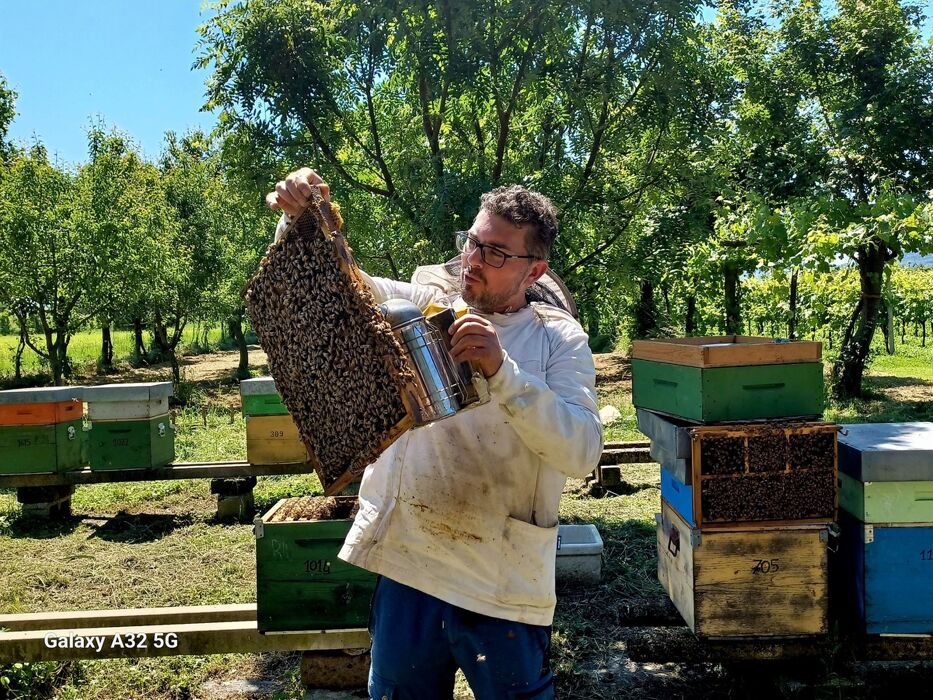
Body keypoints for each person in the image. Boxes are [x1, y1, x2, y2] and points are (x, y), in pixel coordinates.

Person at [267, 168, 603, 700]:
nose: (473, 261)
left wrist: (502, 373)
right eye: (471, 242)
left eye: (496, 253)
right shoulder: (425, 303)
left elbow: (582, 450)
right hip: (411, 562)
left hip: (502, 580)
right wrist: (299, 217)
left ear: (534, 268)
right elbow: (340, 287)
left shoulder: (557, 338)